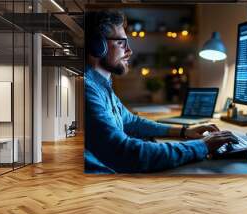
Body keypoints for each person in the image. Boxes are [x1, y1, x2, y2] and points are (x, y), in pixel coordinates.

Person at [84, 10, 238, 173]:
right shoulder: (88, 90)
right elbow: (127, 153)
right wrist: (202, 145)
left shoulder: (101, 86)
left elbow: (132, 122)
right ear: (97, 45)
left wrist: (184, 131)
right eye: (121, 43)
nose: (129, 51)